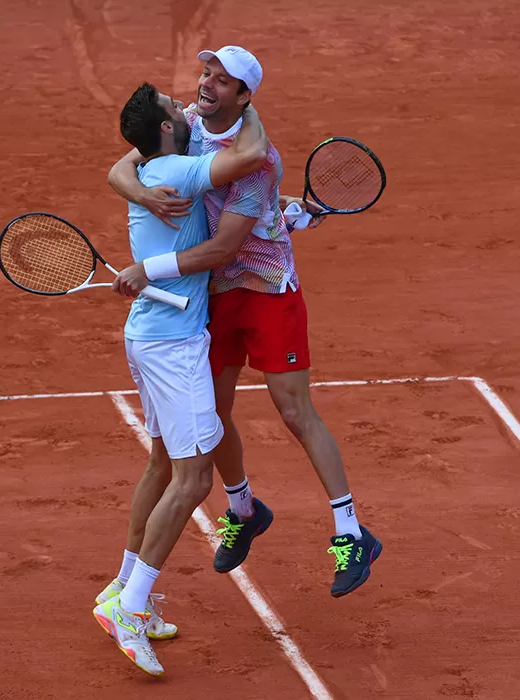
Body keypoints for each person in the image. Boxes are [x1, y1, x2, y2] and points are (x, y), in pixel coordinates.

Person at [106, 46, 383, 599]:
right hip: (214, 294)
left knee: (292, 409)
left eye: (222, 80)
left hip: (264, 288)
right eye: (206, 72)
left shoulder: (260, 158)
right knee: (215, 411)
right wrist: (142, 193)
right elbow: (119, 166)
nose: (206, 84)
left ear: (243, 96)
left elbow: (227, 243)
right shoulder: (184, 123)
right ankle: (244, 508)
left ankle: (351, 532)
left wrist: (148, 268)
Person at [91, 82, 269, 677]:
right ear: (167, 128)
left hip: (146, 336)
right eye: (176, 106)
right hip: (176, 344)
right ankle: (131, 608)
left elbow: (121, 165)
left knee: (163, 463)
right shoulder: (183, 171)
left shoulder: (148, 163)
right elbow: (251, 156)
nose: (187, 107)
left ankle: (120, 587)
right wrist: (245, 99)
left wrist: (137, 182)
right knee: (194, 482)